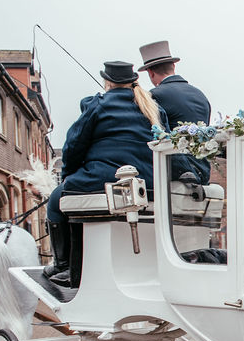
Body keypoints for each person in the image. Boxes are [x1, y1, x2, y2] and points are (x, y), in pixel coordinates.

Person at [44, 61, 169, 286]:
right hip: (148, 182)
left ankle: (64, 265)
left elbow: (73, 146)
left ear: (107, 82)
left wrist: (68, 177)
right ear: (133, 81)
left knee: (55, 199)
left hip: (103, 179)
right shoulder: (152, 108)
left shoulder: (97, 105)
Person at [138, 40, 211, 185]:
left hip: (177, 172)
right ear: (173, 66)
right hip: (203, 170)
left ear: (150, 73)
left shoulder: (154, 96)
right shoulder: (200, 95)